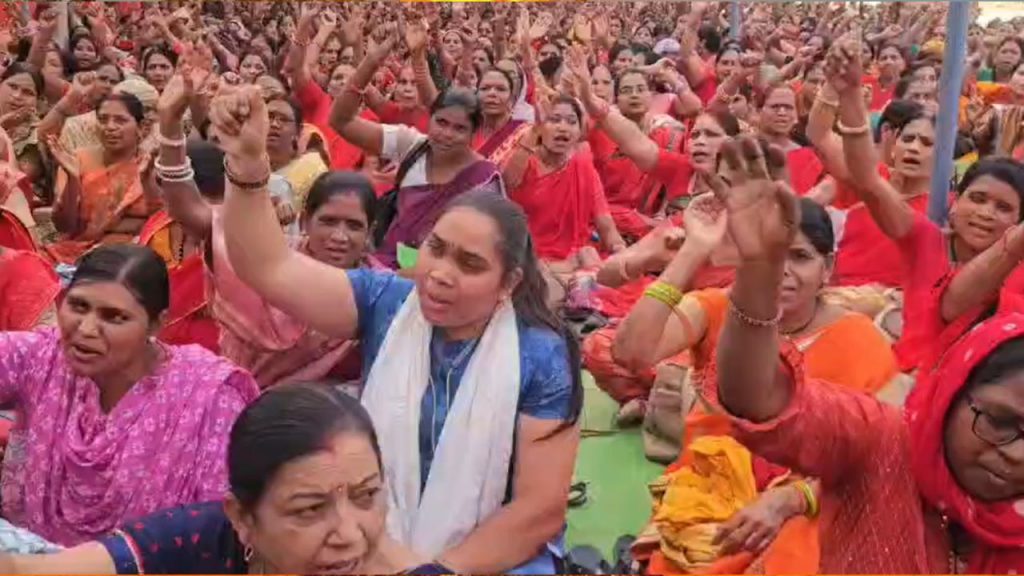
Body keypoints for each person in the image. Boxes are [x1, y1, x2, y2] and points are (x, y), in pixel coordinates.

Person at [212, 84, 579, 573]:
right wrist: (248, 166)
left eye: (470, 264)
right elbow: (267, 267)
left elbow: (538, 510)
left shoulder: (541, 354)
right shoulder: (387, 302)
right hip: (372, 535)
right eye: (436, 249)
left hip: (494, 552)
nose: (441, 273)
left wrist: (436, 571)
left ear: (508, 283)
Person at [713, 135, 1024, 574]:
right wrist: (760, 273)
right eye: (998, 423)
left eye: (1004, 208)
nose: (1018, 454)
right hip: (905, 392)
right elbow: (760, 400)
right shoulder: (887, 441)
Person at [0, 383, 451, 574]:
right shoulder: (199, 542)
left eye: (366, 496)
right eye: (311, 509)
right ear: (242, 516)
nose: (351, 535)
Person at [0, 244, 259, 546]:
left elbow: (218, 528)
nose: (85, 329)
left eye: (114, 317)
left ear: (157, 324)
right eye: (79, 306)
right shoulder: (44, 356)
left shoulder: (208, 395)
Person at [331, 41, 504, 268]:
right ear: (429, 118)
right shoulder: (412, 144)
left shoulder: (484, 179)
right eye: (441, 122)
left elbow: (481, 249)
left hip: (442, 278)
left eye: (459, 128)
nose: (447, 134)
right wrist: (370, 62)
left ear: (473, 134)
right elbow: (341, 121)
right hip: (384, 265)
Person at [502, 96, 625, 304]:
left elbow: (606, 225)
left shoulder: (583, 166)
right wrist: (534, 131)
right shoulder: (524, 162)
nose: (563, 128)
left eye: (571, 121)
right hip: (530, 261)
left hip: (577, 260)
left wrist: (621, 253)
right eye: (554, 120)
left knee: (602, 271)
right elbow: (508, 180)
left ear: (579, 131)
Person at [43, 92, 159, 264]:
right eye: (103, 119)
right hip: (72, 252)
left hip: (130, 255)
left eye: (120, 120)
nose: (110, 126)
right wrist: (73, 179)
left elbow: (160, 219)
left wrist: (146, 178)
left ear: (142, 127)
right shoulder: (76, 160)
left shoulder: (150, 166)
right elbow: (64, 225)